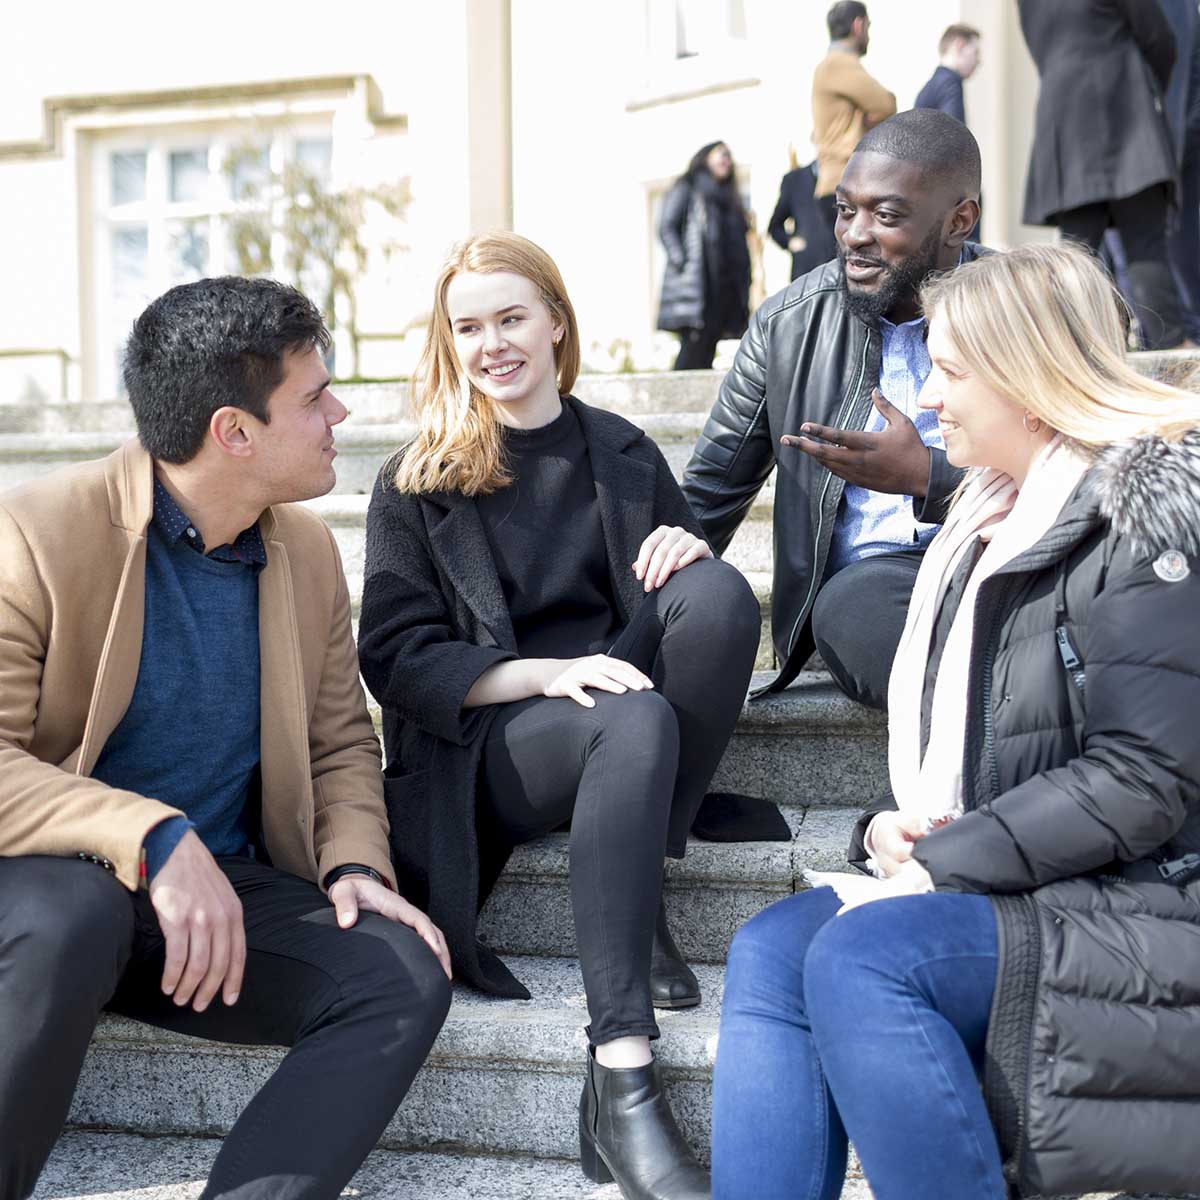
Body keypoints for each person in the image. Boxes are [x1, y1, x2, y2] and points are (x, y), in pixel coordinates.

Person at [710, 241, 1200, 1200]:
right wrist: (894, 830)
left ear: (1026, 379)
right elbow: (990, 753)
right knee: (772, 947)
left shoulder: (1149, 519)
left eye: (949, 370)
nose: (928, 399)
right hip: (1046, 877)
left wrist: (952, 856)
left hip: (1155, 895)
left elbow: (1144, 781)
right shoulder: (991, 518)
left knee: (864, 958)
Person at [0, 278, 452, 1200]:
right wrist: (155, 836)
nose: (341, 411)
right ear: (233, 433)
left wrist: (357, 865)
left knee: (399, 970)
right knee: (73, 915)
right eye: (313, 396)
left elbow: (338, 746)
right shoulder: (33, 534)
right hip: (51, 888)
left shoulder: (309, 551)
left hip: (220, 905)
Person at [357, 231, 759, 1200]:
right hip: (495, 742)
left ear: (555, 323)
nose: (491, 342)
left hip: (616, 707)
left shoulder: (621, 451)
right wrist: (538, 675)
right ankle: (622, 1075)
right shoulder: (416, 481)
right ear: (449, 343)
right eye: (467, 326)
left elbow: (679, 607)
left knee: (722, 597)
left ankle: (637, 879)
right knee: (636, 720)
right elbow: (394, 657)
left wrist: (683, 553)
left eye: (509, 318)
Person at [682, 108, 982, 710]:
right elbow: (709, 494)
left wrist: (927, 476)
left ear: (958, 221)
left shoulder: (1024, 305)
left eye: (886, 215)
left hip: (1001, 556)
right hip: (873, 588)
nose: (854, 234)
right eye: (846, 209)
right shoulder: (787, 323)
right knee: (855, 612)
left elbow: (1083, 473)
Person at [1019, 0, 1192, 350]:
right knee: (1144, 243)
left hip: (1064, 119)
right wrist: (1148, 88)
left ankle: (1071, 349)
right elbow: (1160, 38)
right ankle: (1168, 349)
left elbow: (1041, 47)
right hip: (1125, 109)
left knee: (1076, 250)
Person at [657, 141, 752, 371]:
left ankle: (693, 403)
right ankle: (676, 401)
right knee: (692, 346)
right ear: (705, 157)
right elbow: (666, 226)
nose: (726, 160)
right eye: (721, 154)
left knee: (709, 344)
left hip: (722, 286)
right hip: (697, 281)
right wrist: (682, 261)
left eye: (729, 156)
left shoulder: (729, 199)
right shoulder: (688, 187)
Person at [811, 2, 896, 236]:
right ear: (858, 26)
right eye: (869, 26)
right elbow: (886, 104)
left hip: (840, 183)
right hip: (845, 182)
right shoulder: (839, 64)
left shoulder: (830, 66)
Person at [767, 160, 837, 281]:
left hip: (836, 270)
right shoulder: (794, 180)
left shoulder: (846, 176)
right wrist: (789, 241)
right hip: (805, 272)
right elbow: (774, 226)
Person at [914, 24, 981, 125]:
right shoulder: (949, 83)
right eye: (976, 52)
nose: (979, 61)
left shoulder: (935, 83)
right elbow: (954, 137)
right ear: (960, 45)